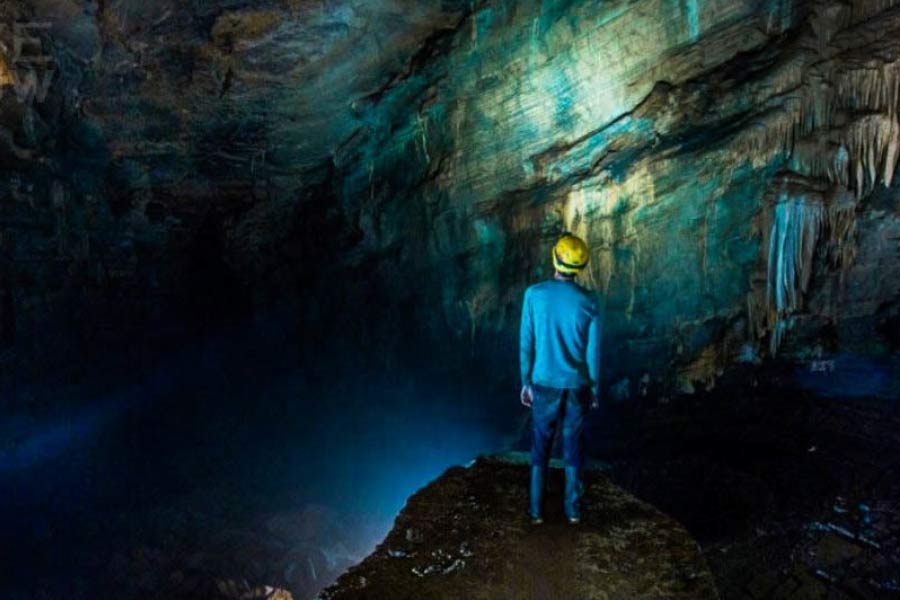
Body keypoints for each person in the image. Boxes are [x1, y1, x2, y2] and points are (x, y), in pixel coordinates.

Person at [519, 233, 602, 525]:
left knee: (540, 444)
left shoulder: (534, 294)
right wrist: (594, 388)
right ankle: (573, 511)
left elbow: (526, 342)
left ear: (555, 258)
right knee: (573, 443)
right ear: (580, 266)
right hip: (577, 385)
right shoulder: (590, 301)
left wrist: (525, 381)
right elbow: (593, 352)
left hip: (543, 383)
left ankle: (536, 511)